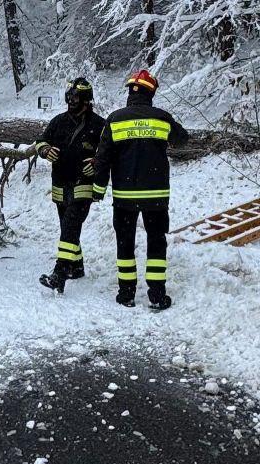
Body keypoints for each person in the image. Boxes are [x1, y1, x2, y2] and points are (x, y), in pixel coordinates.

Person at [92, 70, 189, 310]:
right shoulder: (162, 118)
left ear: (130, 93)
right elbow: (183, 139)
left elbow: (102, 158)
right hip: (156, 196)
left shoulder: (115, 119)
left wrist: (98, 189)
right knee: (156, 241)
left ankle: (126, 294)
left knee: (125, 242)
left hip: (124, 196)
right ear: (151, 93)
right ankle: (156, 295)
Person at [36, 78, 106, 294]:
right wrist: (45, 150)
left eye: (75, 97)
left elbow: (108, 153)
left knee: (71, 225)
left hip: (83, 186)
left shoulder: (99, 125)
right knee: (67, 228)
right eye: (69, 97)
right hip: (60, 184)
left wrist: (96, 163)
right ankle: (76, 267)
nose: (71, 101)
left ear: (86, 99)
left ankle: (60, 273)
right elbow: (40, 141)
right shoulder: (58, 122)